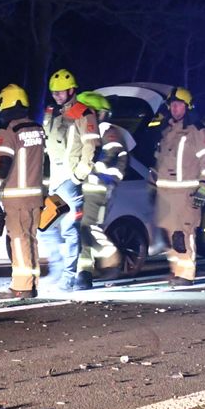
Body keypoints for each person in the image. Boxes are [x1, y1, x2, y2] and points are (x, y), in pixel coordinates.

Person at [40, 69, 100, 291]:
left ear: (72, 90)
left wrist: (78, 174)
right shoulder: (50, 111)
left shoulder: (83, 113)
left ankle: (68, 276)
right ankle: (58, 270)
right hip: (53, 180)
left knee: (68, 228)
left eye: (60, 92)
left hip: (69, 178)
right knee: (44, 226)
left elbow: (91, 145)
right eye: (54, 92)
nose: (56, 95)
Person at [0, 84, 47, 299]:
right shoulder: (38, 129)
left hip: (16, 198)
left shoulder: (8, 132)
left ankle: (21, 287)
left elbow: (3, 164)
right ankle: (31, 283)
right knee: (30, 240)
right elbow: (43, 165)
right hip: (35, 197)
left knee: (19, 241)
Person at [150, 87, 205, 287]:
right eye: (172, 105)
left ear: (188, 107)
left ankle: (187, 274)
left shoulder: (198, 130)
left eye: (179, 105)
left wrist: (203, 187)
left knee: (183, 234)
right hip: (165, 193)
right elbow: (159, 161)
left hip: (186, 192)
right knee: (169, 236)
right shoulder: (166, 130)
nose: (175, 108)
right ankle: (176, 271)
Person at [75, 91, 130, 278]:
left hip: (98, 187)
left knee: (89, 228)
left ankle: (111, 257)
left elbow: (112, 155)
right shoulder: (92, 130)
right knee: (83, 229)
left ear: (99, 113)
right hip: (88, 186)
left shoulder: (107, 131)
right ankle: (84, 273)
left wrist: (91, 168)